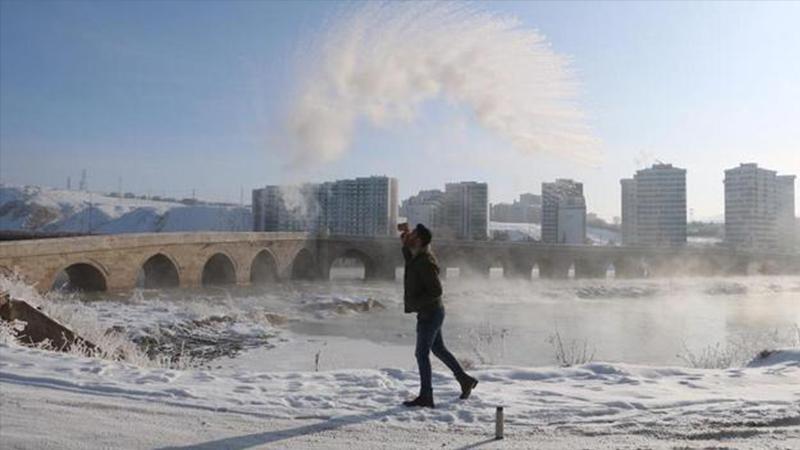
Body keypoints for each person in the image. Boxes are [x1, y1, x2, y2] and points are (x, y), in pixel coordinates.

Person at [400, 223, 478, 408]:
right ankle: (465, 380)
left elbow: (436, 290)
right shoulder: (418, 257)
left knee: (421, 354)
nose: (410, 235)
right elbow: (410, 262)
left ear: (419, 240)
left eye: (413, 235)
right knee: (438, 349)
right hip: (432, 311)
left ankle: (426, 396)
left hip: (430, 313)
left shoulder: (425, 261)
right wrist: (404, 243)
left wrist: (415, 304)